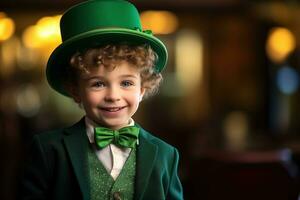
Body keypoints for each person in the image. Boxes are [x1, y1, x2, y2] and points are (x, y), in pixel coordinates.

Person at [19, 0, 183, 199]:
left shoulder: (166, 155)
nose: (113, 96)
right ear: (75, 90)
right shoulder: (49, 151)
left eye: (126, 83)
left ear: (143, 87)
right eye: (98, 84)